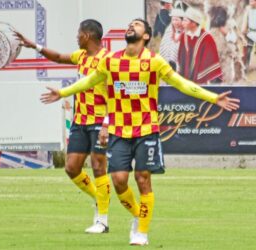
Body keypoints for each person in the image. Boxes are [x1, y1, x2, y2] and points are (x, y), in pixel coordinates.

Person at [40, 18, 240, 246]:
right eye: (130, 24)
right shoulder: (112, 61)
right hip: (118, 131)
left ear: (146, 36)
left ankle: (141, 232)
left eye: (137, 24)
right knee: (119, 181)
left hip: (146, 130)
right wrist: (63, 93)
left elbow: (181, 84)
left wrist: (213, 97)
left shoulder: (154, 62)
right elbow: (89, 81)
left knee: (143, 179)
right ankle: (137, 215)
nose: (131, 26)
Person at [14, 19, 111, 233]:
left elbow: (116, 96)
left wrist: (107, 124)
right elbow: (58, 57)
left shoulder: (109, 60)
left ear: (87, 35)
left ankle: (102, 221)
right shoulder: (81, 57)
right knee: (71, 168)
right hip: (80, 120)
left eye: (79, 33)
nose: (76, 37)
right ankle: (99, 197)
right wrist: (35, 46)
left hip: (100, 121)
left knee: (98, 167)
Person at [177, 7, 222, 84]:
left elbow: (211, 62)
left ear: (194, 23)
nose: (182, 23)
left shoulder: (207, 38)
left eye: (185, 20)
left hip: (202, 84)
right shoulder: (183, 36)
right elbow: (181, 58)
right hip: (185, 83)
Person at [242, 0, 256, 70]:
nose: (251, 2)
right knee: (248, 51)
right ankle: (246, 66)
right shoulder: (248, 9)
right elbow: (245, 19)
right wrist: (243, 31)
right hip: (250, 32)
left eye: (253, 1)